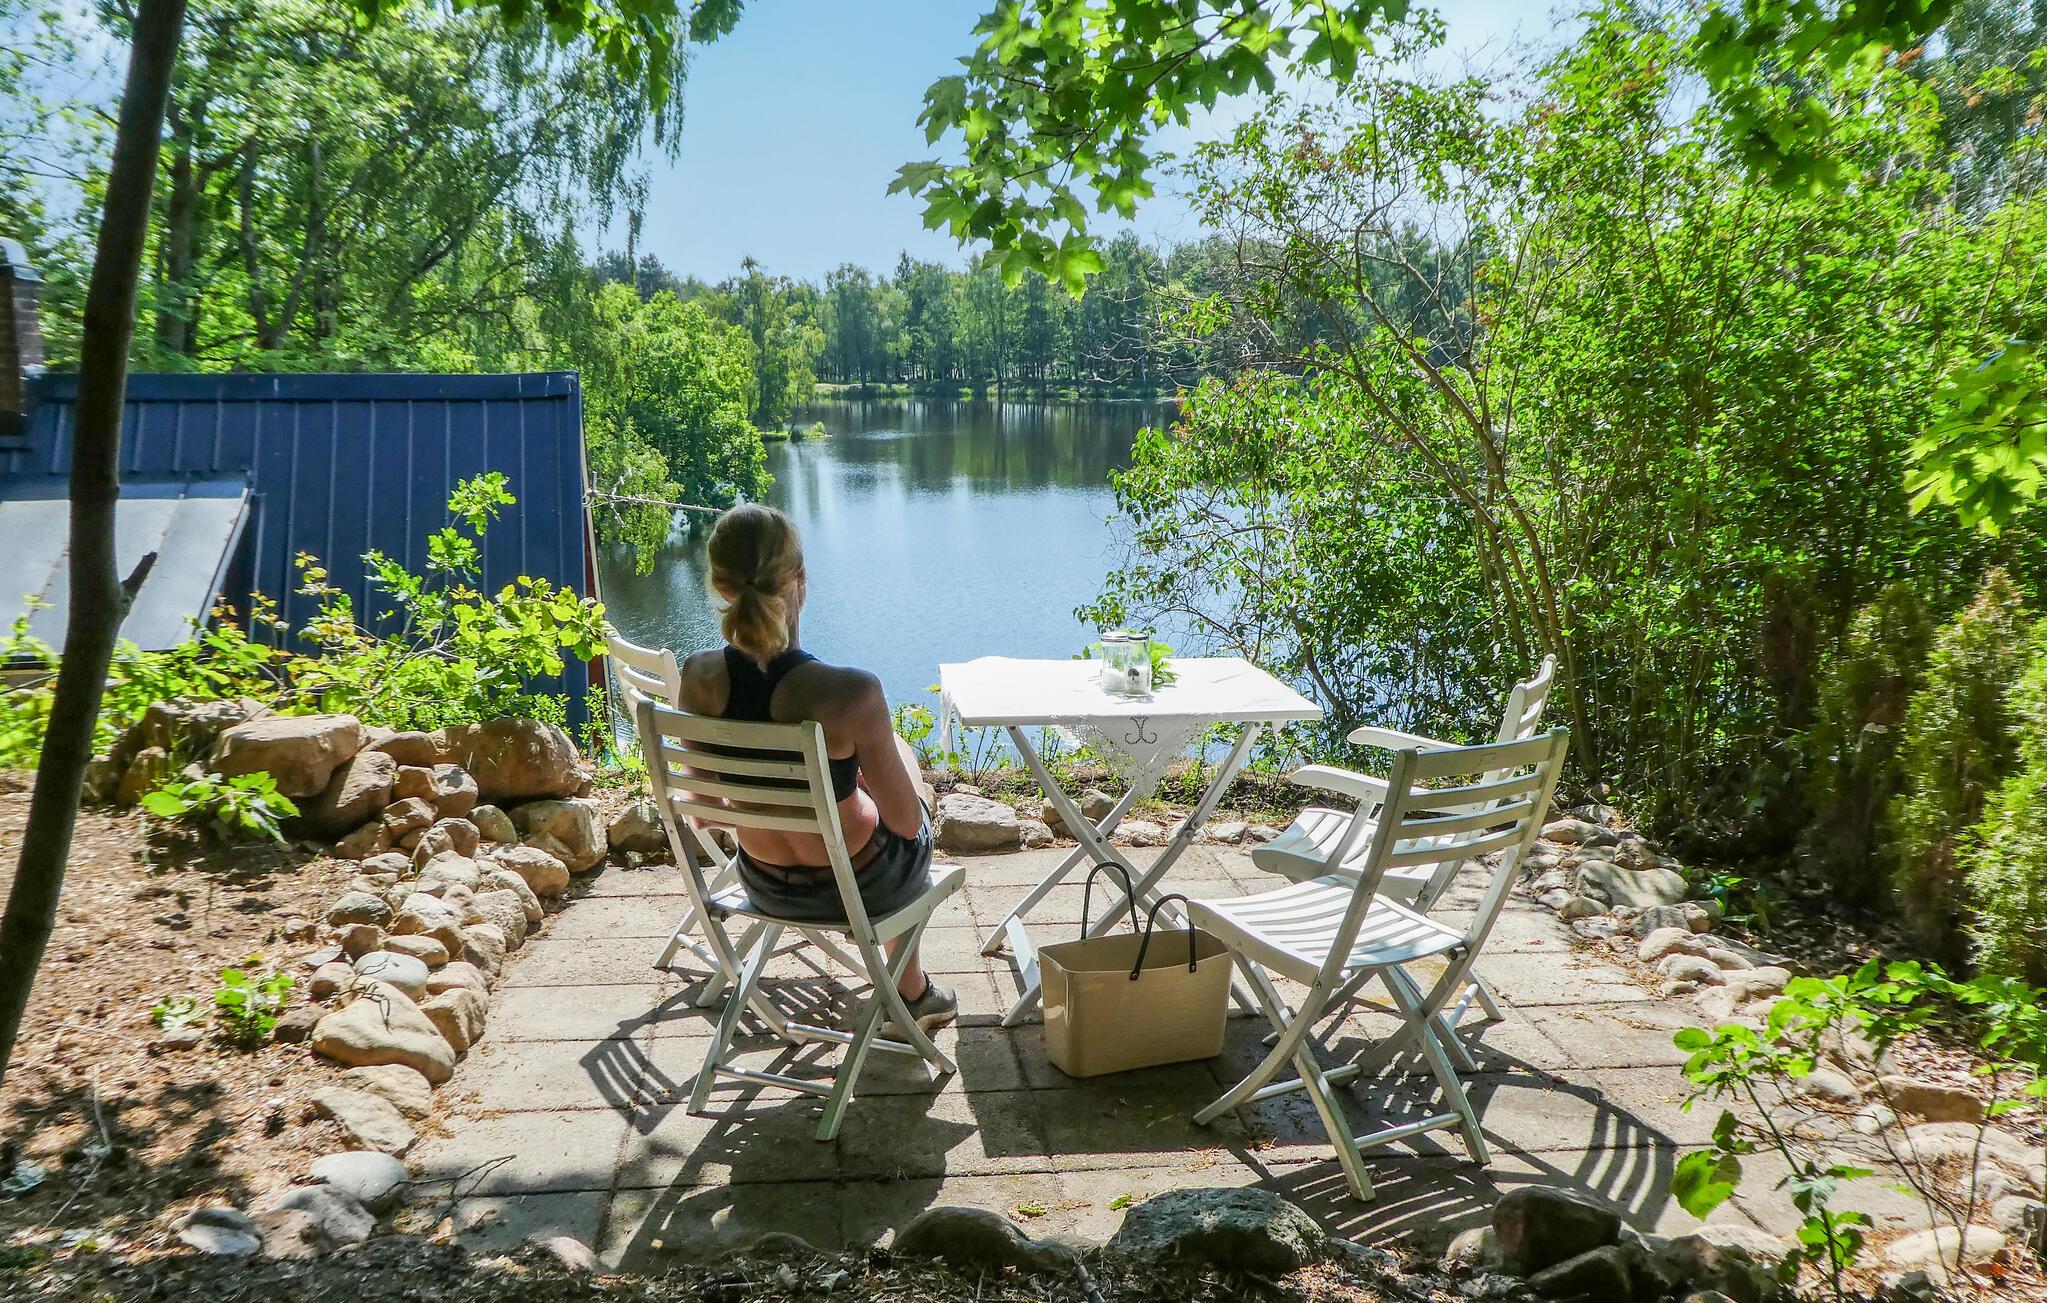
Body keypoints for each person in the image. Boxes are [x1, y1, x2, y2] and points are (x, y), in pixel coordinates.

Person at [676, 503, 956, 1033]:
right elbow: (903, 824)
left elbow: (705, 812)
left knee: (864, 780)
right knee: (905, 776)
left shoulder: (697, 677)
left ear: (720, 584)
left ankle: (911, 990)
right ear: (800, 579)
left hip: (764, 884)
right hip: (865, 886)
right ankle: (911, 991)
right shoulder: (849, 693)